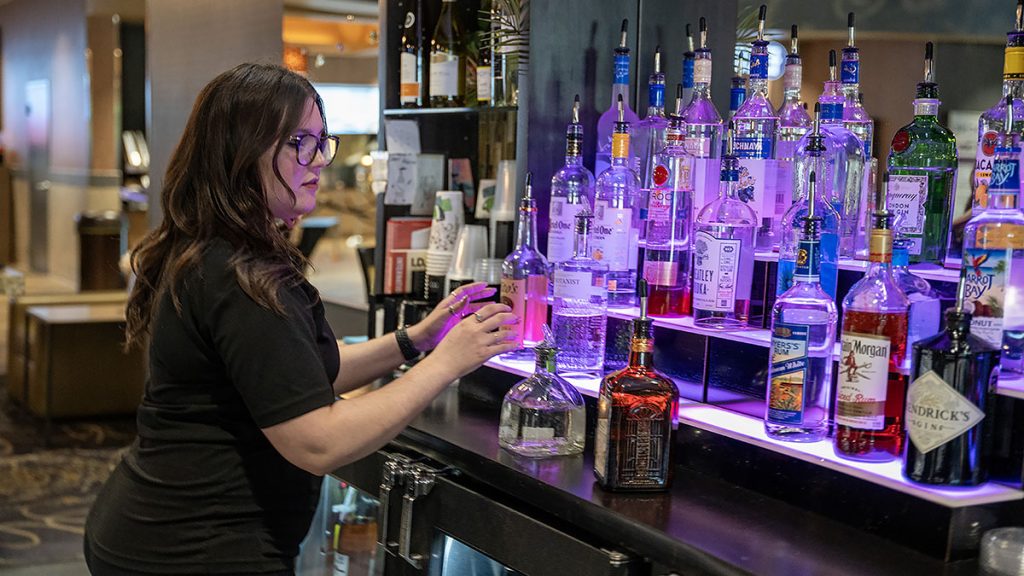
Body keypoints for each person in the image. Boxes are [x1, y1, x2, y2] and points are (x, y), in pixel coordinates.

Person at [83, 62, 518, 575]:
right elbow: (318, 441)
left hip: (155, 529)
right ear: (241, 150)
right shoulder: (237, 276)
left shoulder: (214, 251)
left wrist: (415, 341)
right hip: (192, 547)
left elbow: (298, 374)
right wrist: (447, 362)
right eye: (299, 142)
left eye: (321, 142)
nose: (317, 162)